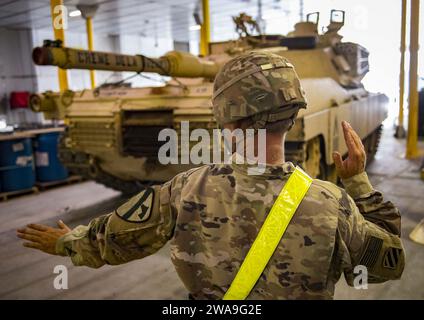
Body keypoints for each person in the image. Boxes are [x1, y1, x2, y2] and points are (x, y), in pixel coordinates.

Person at [17, 52, 405, 299]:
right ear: (293, 116)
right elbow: (390, 262)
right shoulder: (332, 204)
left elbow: (114, 241)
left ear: (224, 121)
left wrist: (67, 243)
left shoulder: (185, 189)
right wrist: (359, 186)